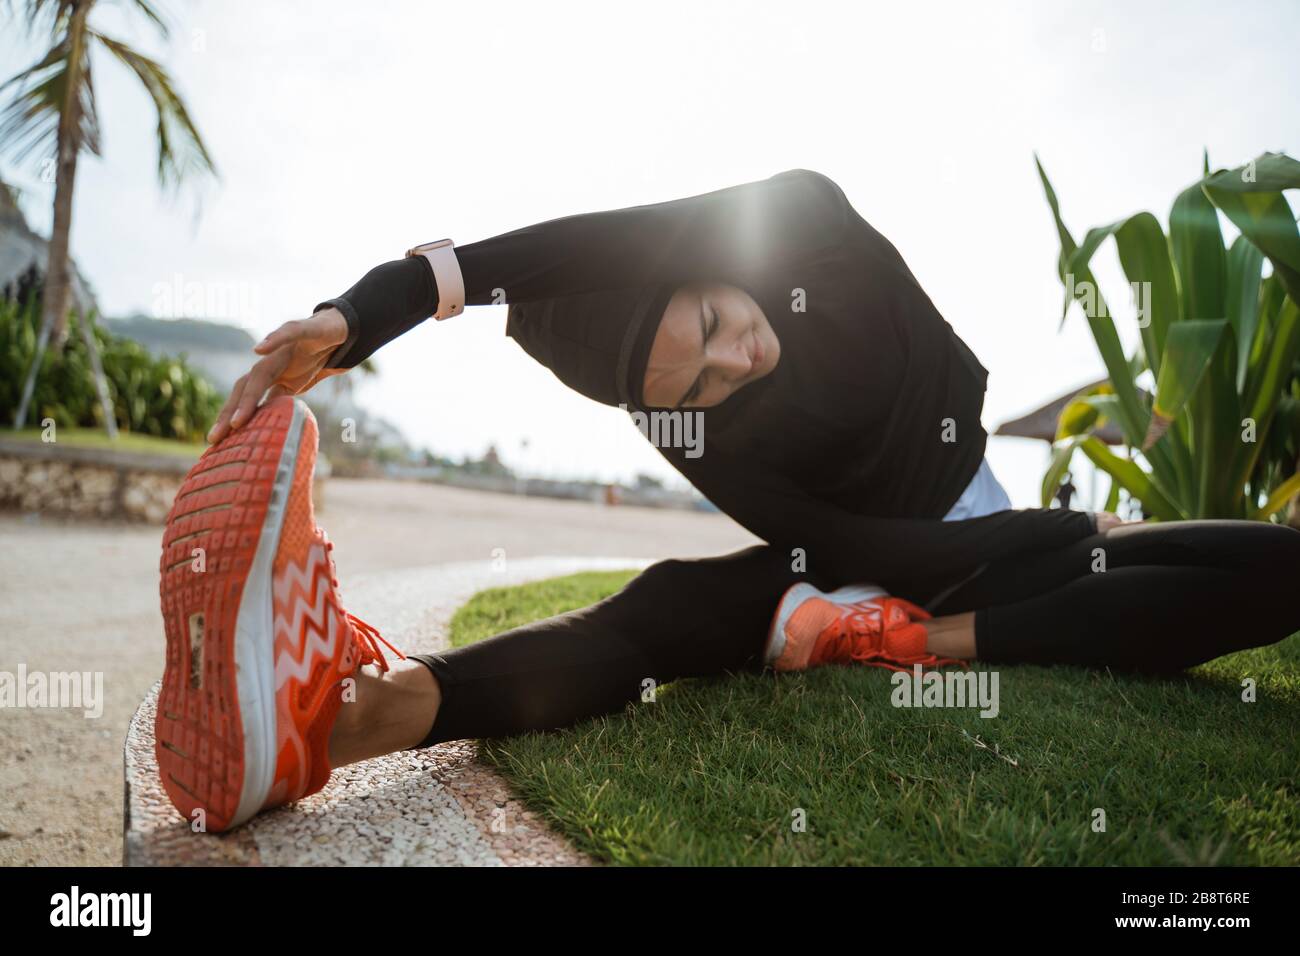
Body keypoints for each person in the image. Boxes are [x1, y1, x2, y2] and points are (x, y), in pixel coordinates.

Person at [158, 170, 1300, 831]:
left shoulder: (804, 223)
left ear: (703, 260)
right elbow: (842, 539)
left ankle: (917, 635)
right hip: (869, 559)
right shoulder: (693, 425)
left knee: (1266, 569)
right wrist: (887, 596)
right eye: (693, 386)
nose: (735, 366)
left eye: (712, 324)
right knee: (667, 608)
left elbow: (585, 244)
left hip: (982, 511)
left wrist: (365, 313)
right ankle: (326, 725)